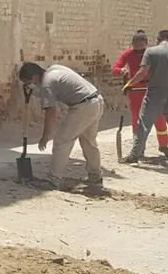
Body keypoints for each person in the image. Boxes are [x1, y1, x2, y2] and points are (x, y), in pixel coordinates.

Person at [18, 62, 104, 190]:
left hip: (83, 106)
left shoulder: (47, 84)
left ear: (35, 77)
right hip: (96, 100)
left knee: (61, 141)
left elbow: (50, 112)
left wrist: (45, 136)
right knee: (88, 141)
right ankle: (95, 176)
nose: (30, 86)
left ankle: (52, 180)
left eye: (28, 82)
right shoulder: (55, 69)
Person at [121, 30, 168, 169]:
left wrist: (129, 84)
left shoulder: (151, 52)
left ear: (158, 39)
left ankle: (135, 156)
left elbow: (142, 73)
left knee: (144, 124)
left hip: (155, 93)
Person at [112, 30, 168, 158]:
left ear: (146, 44)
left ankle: (164, 145)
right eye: (136, 48)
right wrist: (122, 70)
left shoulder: (152, 53)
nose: (139, 51)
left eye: (141, 47)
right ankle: (139, 148)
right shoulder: (128, 54)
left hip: (152, 90)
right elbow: (115, 68)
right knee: (137, 120)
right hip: (135, 91)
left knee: (160, 119)